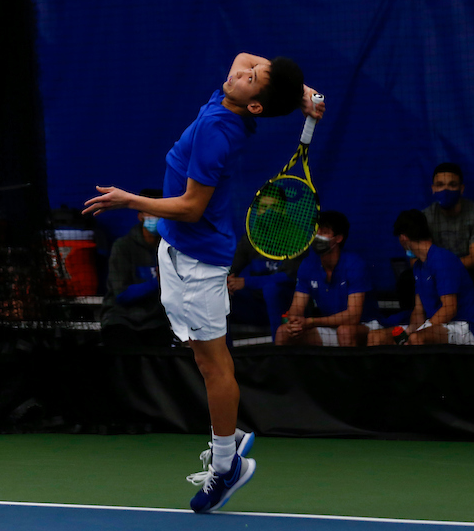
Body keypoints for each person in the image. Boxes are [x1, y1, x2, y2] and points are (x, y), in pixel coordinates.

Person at [84, 52, 324, 513]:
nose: (242, 70)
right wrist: (299, 93)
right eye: (249, 71)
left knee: (216, 366)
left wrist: (130, 200)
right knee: (201, 354)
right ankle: (228, 434)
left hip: (199, 265)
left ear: (255, 105)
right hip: (174, 252)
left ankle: (227, 464)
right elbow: (244, 57)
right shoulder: (227, 98)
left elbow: (191, 208)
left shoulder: (220, 130)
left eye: (252, 78)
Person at [369, 209, 474, 346]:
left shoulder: (442, 259)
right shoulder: (418, 267)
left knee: (417, 339)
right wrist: (410, 331)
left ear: (403, 238)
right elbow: (418, 310)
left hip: (462, 326)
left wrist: (422, 329)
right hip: (432, 326)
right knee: (376, 337)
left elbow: (449, 309)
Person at [275, 210, 381, 347]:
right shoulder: (308, 265)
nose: (317, 236)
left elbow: (353, 316)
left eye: (324, 232)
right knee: (283, 332)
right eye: (316, 231)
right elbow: (297, 306)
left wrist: (312, 322)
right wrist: (294, 321)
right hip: (330, 328)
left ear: (338, 238)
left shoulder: (355, 264)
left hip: (366, 326)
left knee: (345, 332)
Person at [421, 163, 474, 320]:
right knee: (409, 279)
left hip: (471, 272)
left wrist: (444, 267)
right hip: (437, 274)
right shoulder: (425, 217)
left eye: (452, 185)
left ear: (462, 188)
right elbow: (416, 259)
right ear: (433, 189)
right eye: (440, 185)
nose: (445, 190)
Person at [100, 189, 172, 347]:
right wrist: (158, 281)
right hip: (122, 320)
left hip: (156, 322)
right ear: (140, 216)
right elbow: (122, 295)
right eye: (151, 212)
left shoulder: (170, 249)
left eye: (161, 212)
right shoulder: (123, 247)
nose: (157, 217)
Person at [227, 235, 301, 342]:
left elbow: (289, 276)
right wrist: (227, 282)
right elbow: (230, 271)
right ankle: (224, 349)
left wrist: (247, 282)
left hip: (285, 305)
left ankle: (278, 346)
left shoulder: (296, 240)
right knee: (220, 291)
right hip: (255, 305)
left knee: (271, 289)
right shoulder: (251, 239)